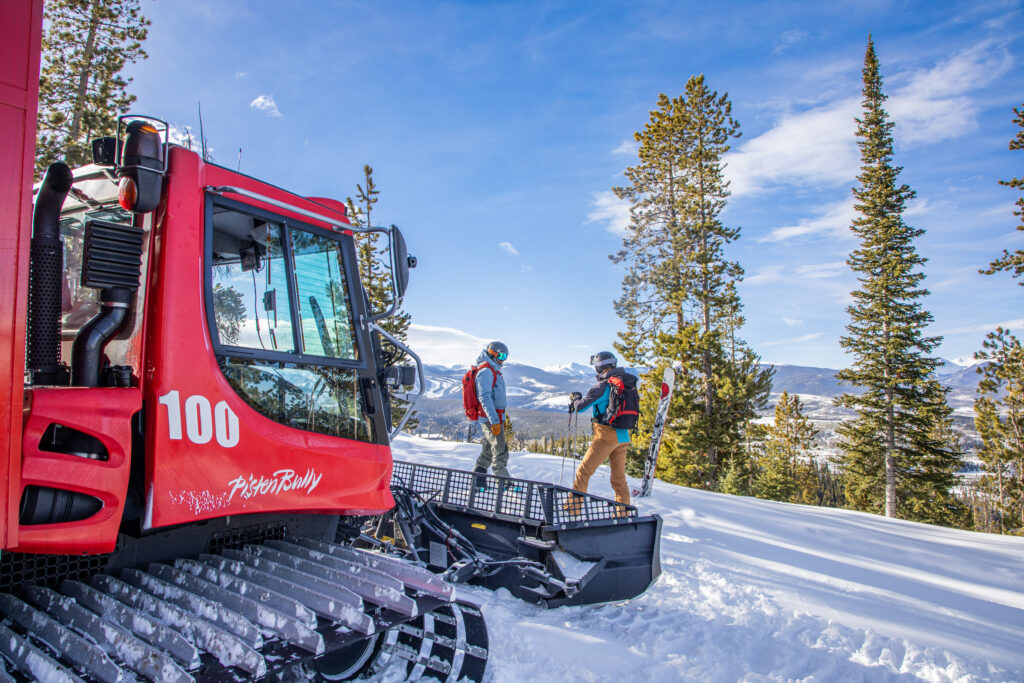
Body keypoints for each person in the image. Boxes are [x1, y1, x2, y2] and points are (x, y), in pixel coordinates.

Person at [568, 351, 634, 505]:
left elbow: (580, 407)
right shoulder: (624, 382)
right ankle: (623, 512)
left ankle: (572, 509)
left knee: (583, 472)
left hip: (605, 436)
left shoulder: (603, 386)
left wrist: (576, 398)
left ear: (599, 367)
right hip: (623, 436)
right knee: (619, 479)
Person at [471, 341, 510, 483]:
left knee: (487, 451)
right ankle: (505, 485)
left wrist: (501, 419)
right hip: (490, 419)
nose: (503, 359)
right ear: (493, 354)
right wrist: (494, 421)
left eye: (506, 356)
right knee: (500, 451)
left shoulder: (493, 370)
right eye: (501, 355)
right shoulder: (486, 371)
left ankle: (478, 482)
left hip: (494, 417)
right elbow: (485, 397)